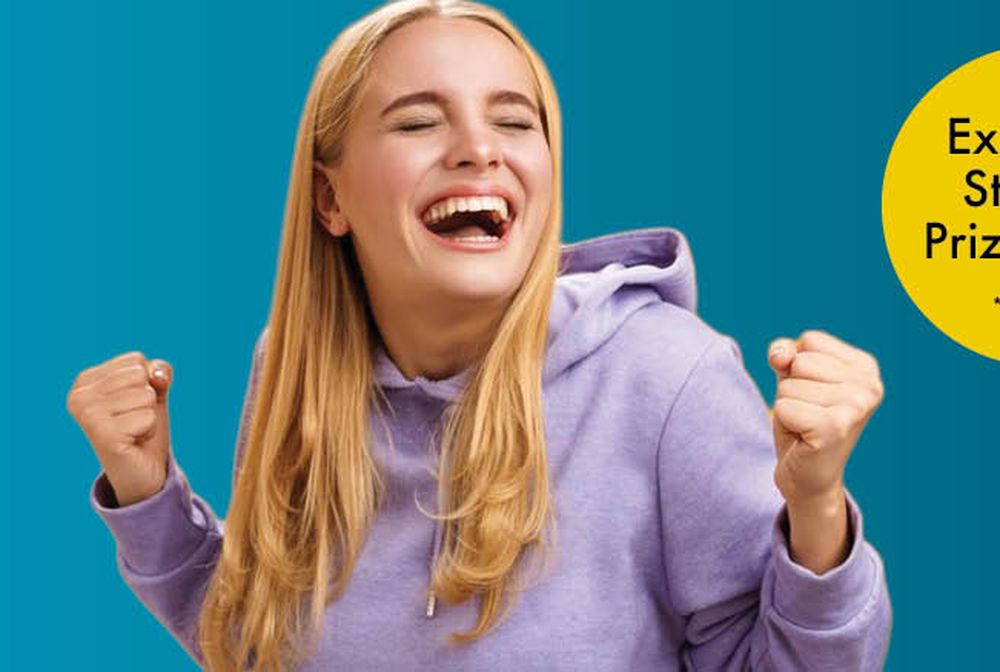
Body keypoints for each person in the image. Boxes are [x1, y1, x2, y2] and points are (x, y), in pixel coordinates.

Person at [66, 0, 892, 669]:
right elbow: (258, 645)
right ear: (331, 201)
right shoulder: (297, 369)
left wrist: (814, 506)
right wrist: (148, 496)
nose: (478, 149)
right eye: (419, 122)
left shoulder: (665, 379)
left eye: (513, 120)